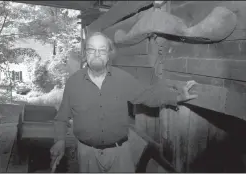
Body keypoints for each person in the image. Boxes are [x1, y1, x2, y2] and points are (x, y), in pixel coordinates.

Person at [50, 32, 198, 172]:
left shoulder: (123, 78)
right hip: (86, 154)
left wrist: (177, 97)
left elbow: (147, 96)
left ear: (109, 54)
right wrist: (59, 141)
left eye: (102, 50)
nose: (96, 54)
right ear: (85, 54)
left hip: (120, 153)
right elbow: (61, 118)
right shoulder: (73, 83)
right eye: (91, 50)